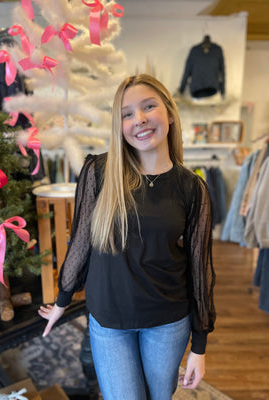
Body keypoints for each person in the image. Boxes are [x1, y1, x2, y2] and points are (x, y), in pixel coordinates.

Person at [38, 74, 216, 400]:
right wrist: (62, 301)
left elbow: (199, 268)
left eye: (149, 107)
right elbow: (80, 241)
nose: (140, 119)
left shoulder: (192, 188)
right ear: (119, 125)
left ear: (170, 113)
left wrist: (199, 347)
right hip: (109, 321)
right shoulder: (99, 172)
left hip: (167, 322)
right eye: (127, 113)